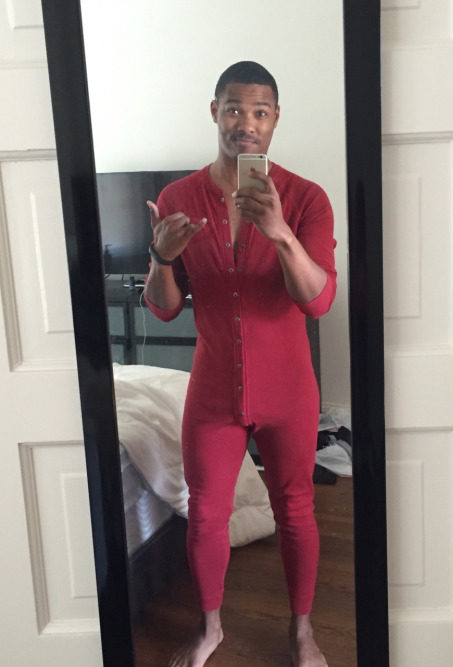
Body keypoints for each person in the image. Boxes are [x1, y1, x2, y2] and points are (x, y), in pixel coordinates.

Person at [144, 61, 337, 667]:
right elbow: (163, 309)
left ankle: (302, 630)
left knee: (296, 508)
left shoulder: (306, 198)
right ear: (215, 112)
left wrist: (280, 233)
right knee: (206, 512)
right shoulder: (178, 198)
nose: (245, 123)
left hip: (288, 388)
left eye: (259, 111)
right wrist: (161, 258)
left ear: (275, 119)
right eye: (233, 109)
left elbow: (318, 301)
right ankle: (211, 629)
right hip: (213, 388)